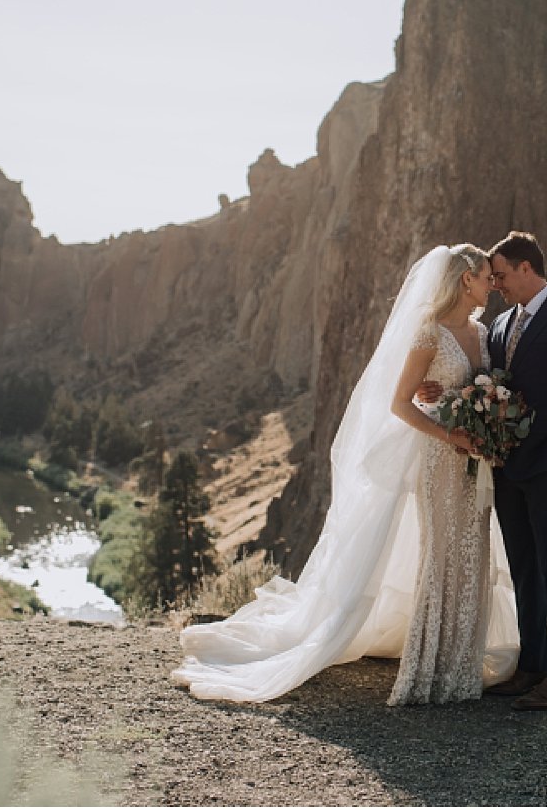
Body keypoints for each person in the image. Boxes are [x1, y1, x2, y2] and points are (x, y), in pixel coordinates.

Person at [171, 244, 518, 705]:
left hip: (475, 461)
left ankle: (461, 666)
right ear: (464, 280)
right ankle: (429, 666)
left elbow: (479, 388)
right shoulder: (428, 332)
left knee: (472, 552)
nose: (492, 285)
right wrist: (447, 433)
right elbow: (400, 403)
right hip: (440, 459)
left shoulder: (481, 332)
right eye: (484, 278)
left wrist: (486, 423)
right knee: (441, 555)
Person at [440, 230, 547, 711]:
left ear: (527, 269)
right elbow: (484, 384)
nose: (496, 285)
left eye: (502, 275)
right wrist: (442, 398)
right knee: (525, 570)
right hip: (508, 467)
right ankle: (530, 666)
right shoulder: (499, 325)